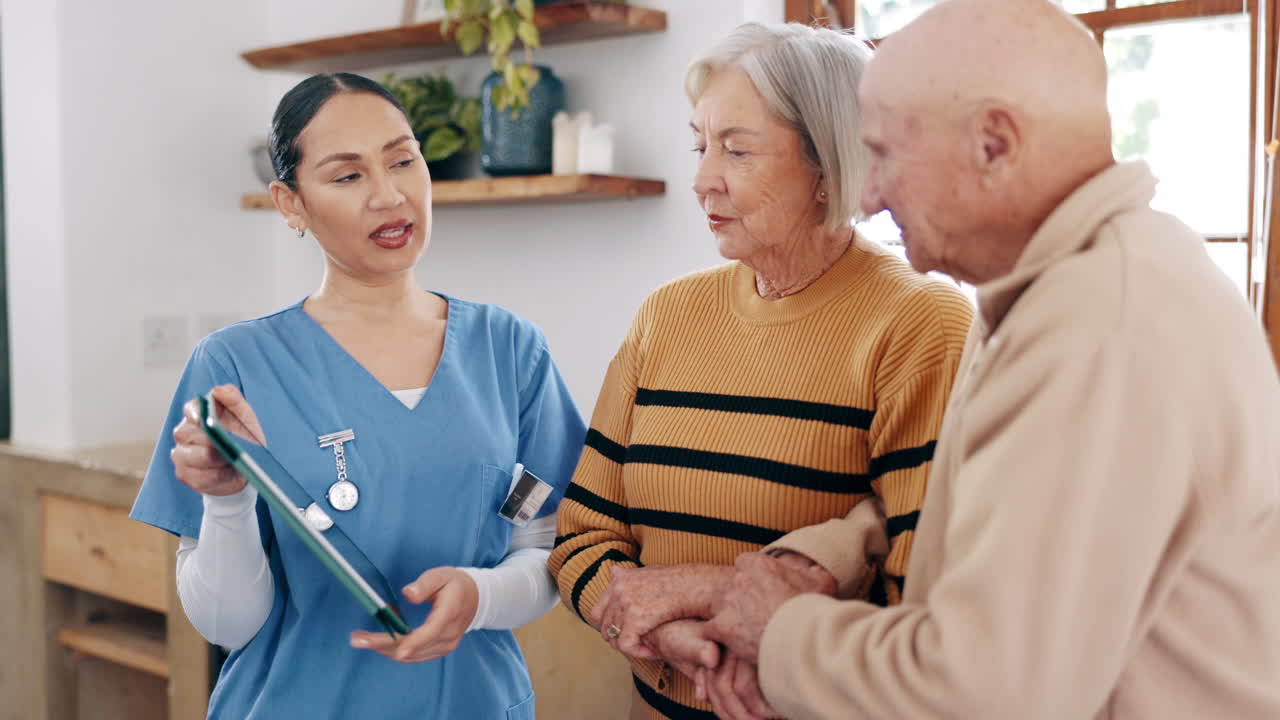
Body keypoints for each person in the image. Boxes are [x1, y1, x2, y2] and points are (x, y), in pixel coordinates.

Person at [703, 1, 1280, 718]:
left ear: (995, 144)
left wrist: (783, 633)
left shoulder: (1100, 322)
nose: (871, 194)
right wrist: (841, 547)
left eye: (884, 154)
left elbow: (986, 694)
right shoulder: (1060, 285)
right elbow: (1004, 508)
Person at [547, 21, 973, 719]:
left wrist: (711, 591)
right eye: (701, 144)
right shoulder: (666, 316)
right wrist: (664, 633)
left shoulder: (921, 324)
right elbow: (583, 535)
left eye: (737, 150)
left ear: (829, 164)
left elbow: (922, 587)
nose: (701, 178)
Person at [129, 73, 587, 719]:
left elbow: (542, 548)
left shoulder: (510, 352)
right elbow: (227, 625)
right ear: (291, 203)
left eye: (403, 160)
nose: (389, 195)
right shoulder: (236, 365)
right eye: (348, 177)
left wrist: (479, 596)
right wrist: (228, 504)